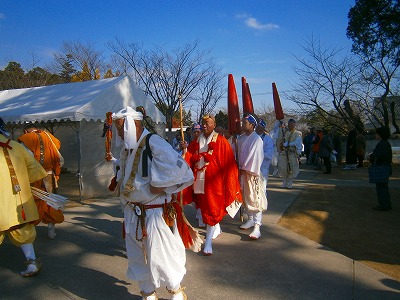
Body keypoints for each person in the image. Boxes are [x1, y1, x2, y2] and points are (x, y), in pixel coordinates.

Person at [111, 106, 194, 300]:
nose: (118, 133)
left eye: (121, 127)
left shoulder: (153, 142)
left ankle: (176, 294)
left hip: (154, 212)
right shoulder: (128, 148)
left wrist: (162, 185)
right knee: (137, 257)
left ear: (134, 125)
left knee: (162, 256)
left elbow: (182, 169)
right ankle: (148, 294)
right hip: (133, 213)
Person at [182, 114, 242, 256]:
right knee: (204, 211)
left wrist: (230, 182)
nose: (204, 125)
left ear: (214, 125)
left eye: (207, 123)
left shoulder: (221, 141)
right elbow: (189, 157)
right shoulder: (197, 141)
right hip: (199, 182)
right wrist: (184, 151)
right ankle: (214, 230)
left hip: (215, 184)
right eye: (203, 123)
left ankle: (208, 241)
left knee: (213, 210)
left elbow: (229, 165)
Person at [1, 117, 48, 277]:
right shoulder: (17, 146)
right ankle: (32, 262)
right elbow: (35, 170)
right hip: (18, 201)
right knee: (22, 229)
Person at [18, 123, 64, 240]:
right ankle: (51, 228)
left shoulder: (26, 139)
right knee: (51, 201)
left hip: (34, 177)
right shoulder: (50, 137)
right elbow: (60, 158)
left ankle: (30, 230)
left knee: (33, 202)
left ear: (25, 131)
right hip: (50, 176)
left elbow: (25, 159)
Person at [238, 114, 267, 239]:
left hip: (252, 173)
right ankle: (250, 219)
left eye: (245, 122)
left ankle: (257, 226)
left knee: (256, 199)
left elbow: (254, 158)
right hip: (242, 172)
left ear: (252, 124)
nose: (242, 124)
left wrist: (243, 168)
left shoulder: (256, 139)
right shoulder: (241, 138)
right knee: (245, 197)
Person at [368, 126, 393, 211]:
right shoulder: (385, 143)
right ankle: (386, 204)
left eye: (377, 133)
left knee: (381, 187)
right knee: (383, 187)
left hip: (381, 168)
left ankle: (384, 205)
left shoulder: (382, 144)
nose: (375, 135)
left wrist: (371, 156)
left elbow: (379, 157)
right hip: (385, 167)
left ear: (380, 134)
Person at [277, 119, 303, 189]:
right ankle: (284, 182)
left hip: (292, 154)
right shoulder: (284, 132)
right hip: (284, 153)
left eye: (292, 123)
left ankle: (290, 183)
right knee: (283, 168)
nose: (290, 125)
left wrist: (289, 144)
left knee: (292, 168)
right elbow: (280, 140)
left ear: (295, 124)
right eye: (289, 123)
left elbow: (298, 142)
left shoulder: (297, 133)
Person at [255, 119, 274, 186]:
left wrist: (257, 154)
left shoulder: (268, 139)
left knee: (262, 187)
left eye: (259, 126)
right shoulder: (251, 137)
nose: (257, 128)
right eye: (257, 126)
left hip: (263, 167)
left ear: (263, 128)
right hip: (252, 167)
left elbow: (268, 154)